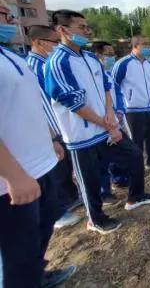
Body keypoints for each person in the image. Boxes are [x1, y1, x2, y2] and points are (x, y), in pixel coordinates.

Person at [45, 10, 150, 235]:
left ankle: (135, 196)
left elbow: (107, 87)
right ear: (62, 30)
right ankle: (95, 219)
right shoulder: (58, 62)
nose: (87, 31)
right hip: (82, 136)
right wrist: (107, 124)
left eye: (86, 27)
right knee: (89, 180)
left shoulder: (90, 58)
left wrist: (110, 113)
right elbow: (73, 103)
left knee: (135, 155)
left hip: (106, 127)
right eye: (81, 27)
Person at [1, 18, 77, 288]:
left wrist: (52, 137)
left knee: (42, 229)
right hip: (13, 180)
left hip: (40, 163)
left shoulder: (11, 57)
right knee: (17, 250)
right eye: (3, 13)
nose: (10, 21)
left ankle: (36, 276)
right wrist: (12, 175)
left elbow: (33, 105)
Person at [27, 25, 82, 229]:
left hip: (58, 126)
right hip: (46, 129)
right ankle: (58, 212)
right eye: (53, 41)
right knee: (53, 171)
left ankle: (70, 199)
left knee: (64, 167)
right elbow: (38, 103)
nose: (57, 45)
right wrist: (50, 134)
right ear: (39, 42)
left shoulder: (47, 62)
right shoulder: (32, 66)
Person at [113, 36, 150, 168]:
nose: (148, 47)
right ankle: (136, 166)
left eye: (149, 44)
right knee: (136, 140)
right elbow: (114, 85)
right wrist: (119, 107)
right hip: (133, 110)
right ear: (135, 46)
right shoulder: (123, 64)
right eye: (145, 44)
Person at [91, 41, 130, 197]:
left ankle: (119, 178)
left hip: (116, 120)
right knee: (103, 159)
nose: (112, 57)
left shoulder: (108, 74)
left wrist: (120, 110)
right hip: (102, 123)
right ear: (97, 55)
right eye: (108, 54)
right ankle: (104, 191)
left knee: (117, 152)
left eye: (112, 54)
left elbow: (118, 93)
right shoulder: (93, 77)